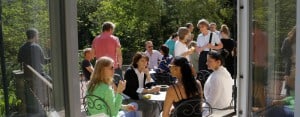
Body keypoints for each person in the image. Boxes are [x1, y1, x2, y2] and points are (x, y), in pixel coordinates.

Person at [17, 28, 50, 116]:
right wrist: (53, 58)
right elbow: (44, 62)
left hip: (27, 76)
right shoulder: (36, 46)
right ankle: (47, 106)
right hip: (38, 74)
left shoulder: (22, 48)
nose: (38, 37)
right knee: (51, 83)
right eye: (38, 35)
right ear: (35, 36)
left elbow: (19, 60)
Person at [123, 52, 161, 117]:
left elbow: (150, 85)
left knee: (156, 104)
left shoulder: (144, 71)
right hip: (130, 98)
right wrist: (149, 91)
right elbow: (135, 90)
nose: (145, 63)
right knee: (149, 106)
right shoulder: (130, 72)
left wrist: (148, 75)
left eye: (146, 61)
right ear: (137, 62)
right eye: (142, 61)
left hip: (140, 96)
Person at [281, 26, 296, 96]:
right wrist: (288, 59)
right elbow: (283, 51)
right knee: (289, 85)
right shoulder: (288, 40)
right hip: (291, 65)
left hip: (293, 65)